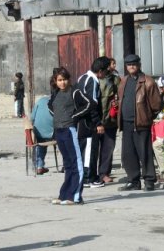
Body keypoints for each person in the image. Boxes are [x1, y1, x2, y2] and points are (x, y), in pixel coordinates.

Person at [48, 67, 95, 205]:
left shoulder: (75, 91)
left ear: (69, 79)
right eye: (60, 80)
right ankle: (64, 195)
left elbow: (90, 104)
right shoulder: (56, 92)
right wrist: (57, 117)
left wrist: (74, 116)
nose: (62, 83)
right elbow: (50, 105)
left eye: (65, 79)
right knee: (68, 164)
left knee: (76, 164)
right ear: (55, 81)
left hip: (70, 130)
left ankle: (75, 197)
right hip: (59, 131)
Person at [118, 54, 162, 191]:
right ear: (126, 66)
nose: (131, 66)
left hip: (141, 123)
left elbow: (156, 105)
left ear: (139, 64)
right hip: (126, 123)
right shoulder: (123, 81)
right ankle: (133, 180)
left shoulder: (148, 81)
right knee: (128, 154)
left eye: (134, 64)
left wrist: (147, 117)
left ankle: (149, 180)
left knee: (145, 152)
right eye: (129, 64)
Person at [76, 56, 110, 188]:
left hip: (82, 121)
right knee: (90, 150)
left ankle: (87, 176)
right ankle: (89, 178)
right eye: (106, 71)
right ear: (101, 71)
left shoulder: (82, 77)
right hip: (89, 123)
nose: (107, 74)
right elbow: (92, 105)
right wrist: (98, 123)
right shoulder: (92, 81)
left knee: (85, 149)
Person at [98, 58, 121, 183]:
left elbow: (120, 95)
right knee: (94, 149)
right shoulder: (95, 80)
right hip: (97, 119)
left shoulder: (115, 80)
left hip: (111, 119)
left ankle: (104, 173)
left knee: (108, 147)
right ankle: (92, 173)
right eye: (110, 65)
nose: (112, 66)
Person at [31, 95, 54, 175]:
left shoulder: (40, 101)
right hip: (52, 134)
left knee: (41, 144)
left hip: (38, 133)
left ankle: (39, 166)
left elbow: (32, 117)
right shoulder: (56, 101)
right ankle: (66, 165)